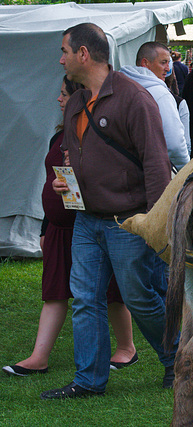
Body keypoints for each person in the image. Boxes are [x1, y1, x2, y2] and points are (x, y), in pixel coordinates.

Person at [41, 22, 178, 400]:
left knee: (140, 298)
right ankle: (89, 380)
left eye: (65, 51)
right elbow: (73, 159)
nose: (61, 58)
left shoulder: (135, 99)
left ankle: (177, 358)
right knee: (86, 299)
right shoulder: (76, 105)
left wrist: (156, 222)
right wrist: (63, 184)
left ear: (84, 54)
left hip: (129, 221)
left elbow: (155, 163)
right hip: (86, 221)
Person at [2, 76, 137, 378]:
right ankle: (39, 357)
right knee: (54, 292)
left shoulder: (96, 137)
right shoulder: (58, 137)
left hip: (87, 227)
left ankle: (127, 348)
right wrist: (45, 226)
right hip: (59, 229)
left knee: (109, 294)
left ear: (79, 99)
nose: (59, 100)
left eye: (64, 95)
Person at [120, 42, 190, 170]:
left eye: (169, 63)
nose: (168, 69)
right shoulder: (160, 94)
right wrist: (186, 171)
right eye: (163, 62)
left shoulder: (120, 87)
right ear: (145, 63)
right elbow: (175, 144)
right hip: (149, 173)